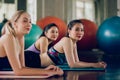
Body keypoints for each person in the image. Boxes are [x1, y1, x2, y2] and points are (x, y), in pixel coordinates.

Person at [0, 10, 63, 77]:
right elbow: (18, 71)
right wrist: (48, 72)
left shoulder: (21, 38)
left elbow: (22, 67)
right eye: (25, 21)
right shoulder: (8, 37)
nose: (29, 24)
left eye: (30, 21)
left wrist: (45, 70)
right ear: (15, 24)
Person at [38, 19, 106, 68]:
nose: (80, 32)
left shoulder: (73, 43)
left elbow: (77, 62)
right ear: (69, 30)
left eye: (82, 30)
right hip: (34, 61)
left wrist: (96, 64)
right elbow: (72, 65)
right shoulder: (67, 40)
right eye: (77, 29)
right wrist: (94, 65)